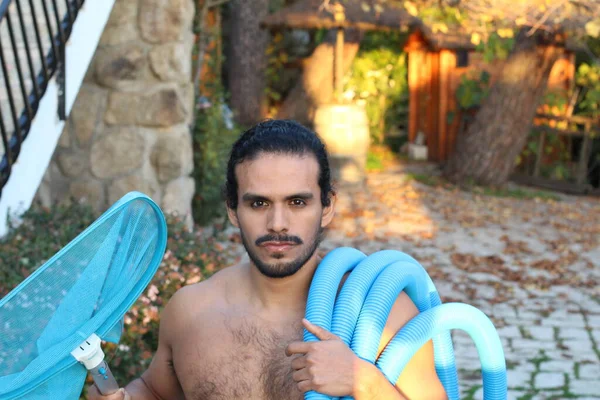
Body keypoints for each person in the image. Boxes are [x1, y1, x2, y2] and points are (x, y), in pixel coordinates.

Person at [89, 119, 448, 400]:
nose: (277, 224)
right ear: (233, 209)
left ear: (327, 207)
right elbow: (155, 392)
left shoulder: (381, 315)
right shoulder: (190, 312)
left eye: (297, 202)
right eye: (258, 203)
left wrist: (363, 381)